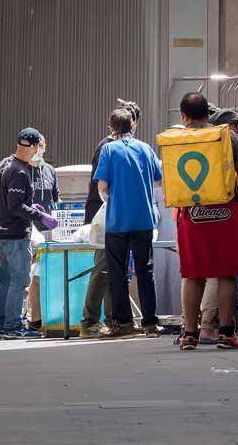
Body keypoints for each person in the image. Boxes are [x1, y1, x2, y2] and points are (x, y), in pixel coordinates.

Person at [176, 92, 238, 351]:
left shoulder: (176, 139)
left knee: (193, 274)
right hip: (225, 211)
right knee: (225, 273)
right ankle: (225, 333)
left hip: (191, 213)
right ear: (208, 114)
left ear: (184, 116)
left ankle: (190, 334)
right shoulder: (227, 136)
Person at [94, 108, 163, 338]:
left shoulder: (108, 150)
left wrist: (112, 199)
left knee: (117, 271)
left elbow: (102, 186)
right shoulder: (145, 148)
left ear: (111, 127)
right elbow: (160, 179)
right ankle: (150, 323)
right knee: (146, 271)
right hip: (143, 219)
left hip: (117, 221)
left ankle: (123, 323)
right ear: (133, 125)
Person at [0, 127, 57, 339]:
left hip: (0, 233)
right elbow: (14, 206)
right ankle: (12, 327)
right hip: (15, 235)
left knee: (6, 279)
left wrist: (32, 207)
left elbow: (7, 199)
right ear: (35, 146)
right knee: (19, 282)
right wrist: (39, 216)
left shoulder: (5, 164)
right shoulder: (20, 171)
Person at [81, 100, 139, 337]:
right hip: (105, 214)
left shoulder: (124, 146)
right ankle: (89, 320)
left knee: (116, 268)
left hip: (121, 214)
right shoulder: (107, 147)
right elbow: (100, 186)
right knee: (104, 267)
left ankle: (115, 318)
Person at [23, 136, 60, 332]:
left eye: (42, 146)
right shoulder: (22, 170)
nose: (40, 150)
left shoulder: (50, 171)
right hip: (29, 230)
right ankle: (33, 317)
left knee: (47, 275)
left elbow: (56, 198)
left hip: (48, 231)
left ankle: (46, 315)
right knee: (31, 277)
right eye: (37, 146)